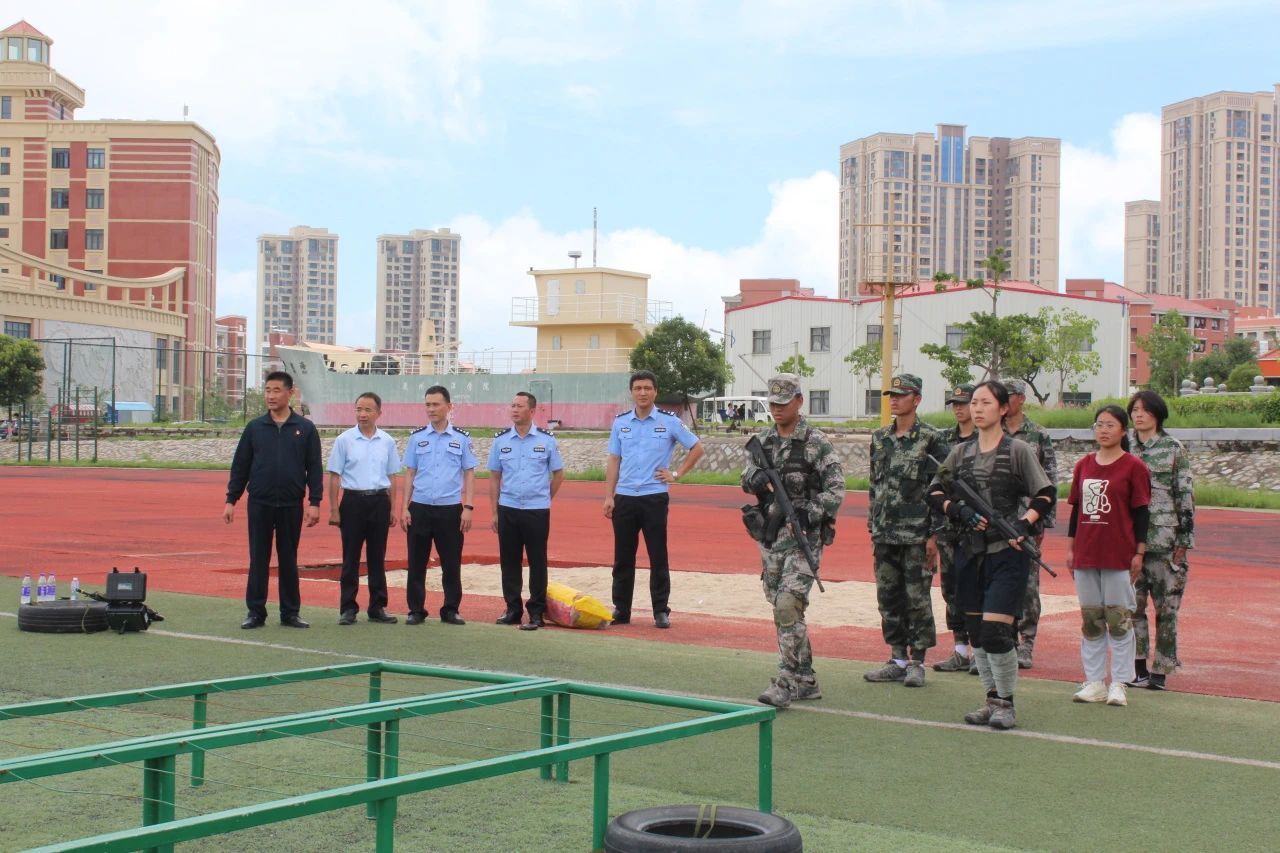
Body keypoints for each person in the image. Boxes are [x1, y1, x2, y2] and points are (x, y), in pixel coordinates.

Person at [926, 380, 1056, 729]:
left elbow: (1045, 493)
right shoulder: (960, 453)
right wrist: (958, 510)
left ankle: (1006, 703)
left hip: (1007, 553)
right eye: (974, 403)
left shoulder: (1018, 450)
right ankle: (990, 698)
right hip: (970, 552)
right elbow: (934, 491)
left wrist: (1024, 524)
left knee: (997, 631)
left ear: (1003, 409)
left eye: (985, 402)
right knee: (977, 634)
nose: (977, 408)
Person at [743, 374, 845, 709]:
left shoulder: (817, 443)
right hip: (771, 537)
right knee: (783, 606)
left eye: (784, 403)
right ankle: (807, 679)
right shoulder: (763, 441)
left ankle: (785, 681)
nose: (777, 409)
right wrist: (755, 477)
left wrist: (808, 512)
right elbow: (745, 477)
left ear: (799, 401)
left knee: (788, 604)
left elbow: (836, 490)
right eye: (773, 403)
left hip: (804, 539)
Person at [865, 373, 951, 687]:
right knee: (888, 598)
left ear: (917, 399)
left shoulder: (932, 439)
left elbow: (942, 489)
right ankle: (897, 658)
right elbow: (874, 485)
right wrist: (873, 524)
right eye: (892, 395)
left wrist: (934, 536)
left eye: (902, 395)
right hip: (885, 532)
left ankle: (917, 662)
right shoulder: (879, 438)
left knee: (917, 599)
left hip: (917, 535)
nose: (895, 400)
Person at [603, 369, 705, 629]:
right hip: (625, 497)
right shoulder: (620, 423)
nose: (643, 393)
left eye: (647, 388)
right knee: (623, 557)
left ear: (655, 392)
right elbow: (614, 459)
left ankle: (660, 610)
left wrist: (677, 474)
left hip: (654, 497)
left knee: (658, 555)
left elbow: (697, 447)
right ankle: (621, 609)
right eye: (638, 388)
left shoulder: (669, 422)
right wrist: (609, 496)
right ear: (631, 392)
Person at [223, 370, 323, 629]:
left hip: (291, 504)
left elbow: (314, 468)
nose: (271, 396)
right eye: (267, 390)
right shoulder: (255, 428)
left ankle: (290, 612)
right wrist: (231, 499)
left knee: (288, 559)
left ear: (290, 393)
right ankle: (256, 612)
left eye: (276, 390)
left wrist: (315, 502)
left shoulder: (305, 428)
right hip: (260, 503)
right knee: (259, 558)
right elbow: (241, 466)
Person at [1066, 404, 1151, 708]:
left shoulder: (1134, 466)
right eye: (1099, 425)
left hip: (1118, 553)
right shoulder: (1084, 465)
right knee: (1091, 619)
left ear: (1123, 430)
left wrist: (1139, 551)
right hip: (1087, 552)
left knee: (1118, 618)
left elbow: (1142, 512)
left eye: (1110, 425)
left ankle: (1119, 682)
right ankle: (1094, 682)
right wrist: (1071, 547)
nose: (1103, 430)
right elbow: (1076, 509)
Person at [1126, 391, 1194, 691]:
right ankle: (1137, 666)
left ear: (1158, 414)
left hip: (1165, 540)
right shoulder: (1124, 446)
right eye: (1134, 410)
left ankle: (1161, 670)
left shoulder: (1173, 448)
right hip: (1129, 541)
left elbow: (1185, 495)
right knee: (1132, 607)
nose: (1139, 415)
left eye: (1145, 410)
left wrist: (1185, 539)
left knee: (1166, 609)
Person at [487, 391, 565, 630]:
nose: (514, 410)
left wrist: (544, 497)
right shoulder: (501, 441)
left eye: (519, 406)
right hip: (508, 508)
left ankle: (536, 612)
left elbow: (558, 474)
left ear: (532, 411)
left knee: (537, 562)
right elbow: (494, 476)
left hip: (536, 510)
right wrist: (494, 511)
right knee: (509, 561)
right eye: (512, 405)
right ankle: (512, 609)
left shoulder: (546, 440)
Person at [401, 385, 477, 626]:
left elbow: (469, 473)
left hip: (450, 509)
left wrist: (468, 507)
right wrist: (404, 507)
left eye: (436, 404)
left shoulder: (461, 438)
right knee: (416, 562)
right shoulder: (417, 437)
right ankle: (416, 610)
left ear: (449, 406)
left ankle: (451, 609)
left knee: (451, 563)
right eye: (428, 404)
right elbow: (410, 473)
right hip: (420, 507)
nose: (431, 409)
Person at [327, 392, 401, 626]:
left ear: (379, 413)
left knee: (377, 556)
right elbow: (334, 476)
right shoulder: (344, 440)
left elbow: (392, 476)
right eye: (359, 409)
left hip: (379, 501)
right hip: (353, 502)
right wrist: (334, 509)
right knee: (350, 556)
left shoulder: (387, 441)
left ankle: (377, 607)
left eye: (368, 410)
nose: (362, 414)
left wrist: (393, 508)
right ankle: (348, 608)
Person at [1002, 378, 1057, 670]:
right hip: (997, 519)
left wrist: (1043, 524)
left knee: (1027, 585)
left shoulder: (1038, 435)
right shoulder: (991, 432)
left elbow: (1049, 482)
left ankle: (1027, 642)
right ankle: (1006, 640)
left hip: (1028, 520)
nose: (1003, 401)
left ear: (1021, 398)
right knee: (999, 581)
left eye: (1008, 395)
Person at [933, 383, 977, 674]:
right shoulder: (942, 441)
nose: (959, 408)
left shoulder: (988, 439)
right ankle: (961, 649)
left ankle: (983, 650)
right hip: (948, 526)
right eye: (955, 404)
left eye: (964, 403)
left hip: (979, 528)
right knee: (951, 589)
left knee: (979, 587)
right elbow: (933, 487)